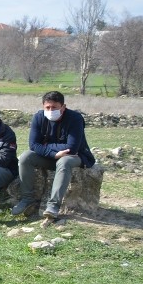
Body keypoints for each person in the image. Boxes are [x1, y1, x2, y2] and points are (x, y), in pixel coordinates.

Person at [11, 91, 96, 220]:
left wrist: (45, 147)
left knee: (65, 161)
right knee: (26, 157)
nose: (50, 110)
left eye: (54, 107)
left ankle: (53, 206)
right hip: (51, 156)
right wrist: (54, 153)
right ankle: (27, 199)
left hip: (77, 156)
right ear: (43, 106)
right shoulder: (39, 117)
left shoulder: (75, 118)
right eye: (47, 107)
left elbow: (72, 148)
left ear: (63, 107)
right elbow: (33, 145)